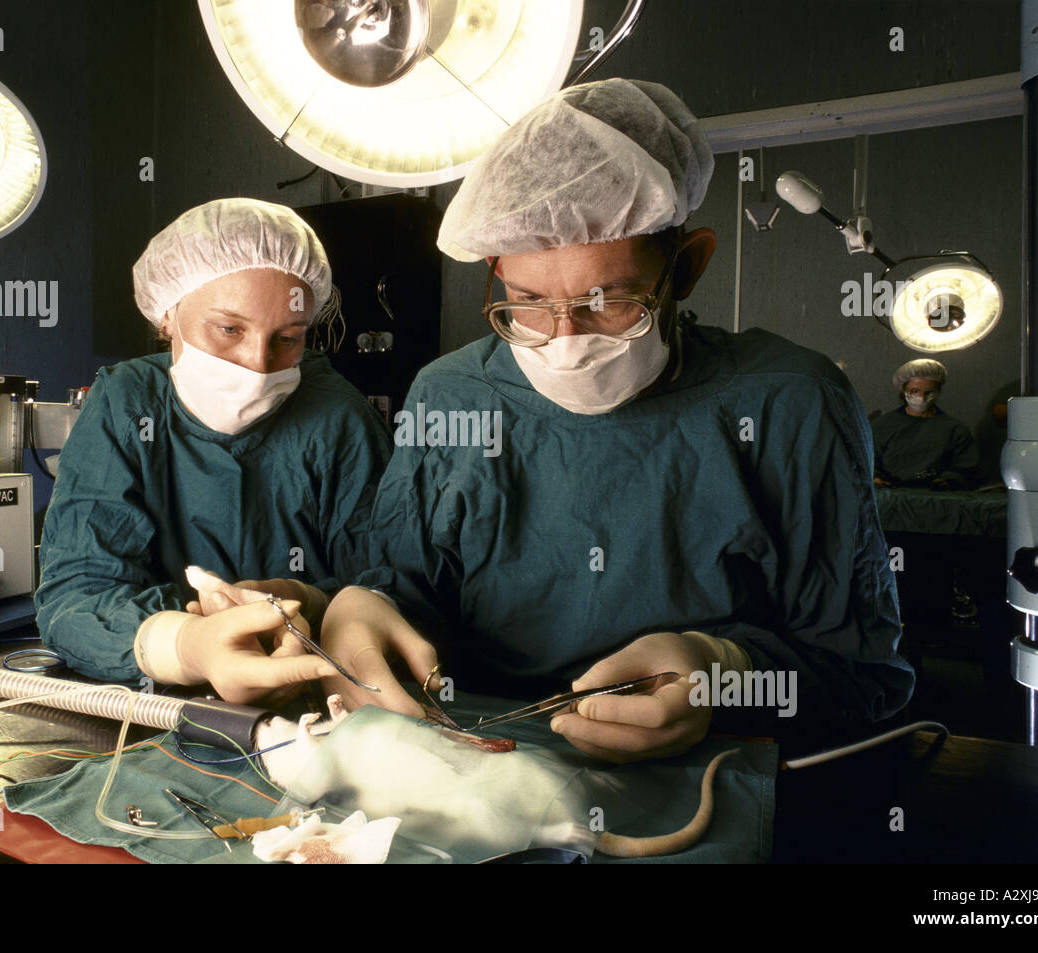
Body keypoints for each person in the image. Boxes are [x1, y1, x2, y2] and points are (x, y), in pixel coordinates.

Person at [319, 79, 915, 760]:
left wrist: (726, 673)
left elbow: (864, 676)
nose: (566, 339)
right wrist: (363, 610)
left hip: (705, 780)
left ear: (685, 269)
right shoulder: (449, 396)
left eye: (613, 302)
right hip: (485, 768)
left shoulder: (790, 403)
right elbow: (403, 589)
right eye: (527, 300)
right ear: (495, 269)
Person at [36, 199, 392, 705]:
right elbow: (76, 599)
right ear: (167, 315)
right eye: (228, 330)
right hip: (166, 706)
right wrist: (186, 644)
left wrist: (306, 603)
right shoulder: (128, 403)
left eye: (288, 339)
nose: (256, 364)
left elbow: (390, 583)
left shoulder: (338, 415)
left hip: (315, 695)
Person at [872, 359, 980, 489]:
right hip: (892, 495)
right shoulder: (883, 425)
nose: (921, 398)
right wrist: (875, 478)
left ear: (938, 391)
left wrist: (949, 480)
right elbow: (868, 460)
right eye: (914, 391)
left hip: (938, 497)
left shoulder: (954, 429)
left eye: (929, 392)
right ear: (903, 390)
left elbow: (966, 465)